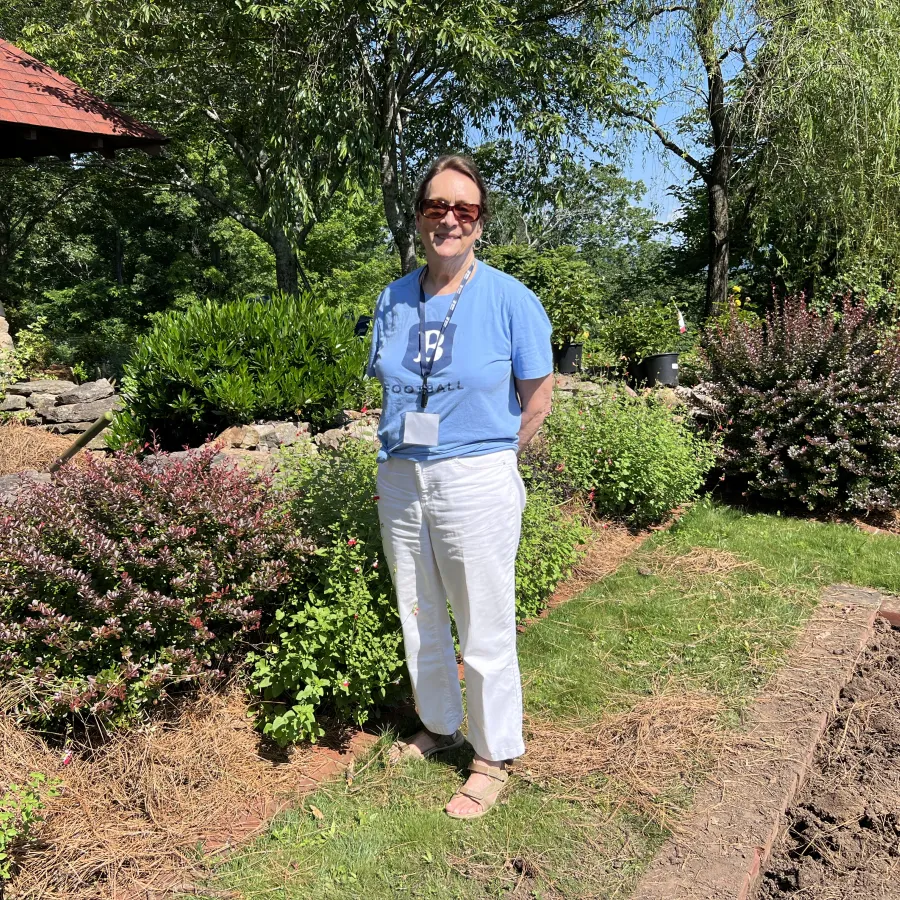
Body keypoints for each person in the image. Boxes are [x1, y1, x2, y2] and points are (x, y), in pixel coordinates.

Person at [367, 154, 554, 820]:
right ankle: (441, 723)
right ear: (419, 217)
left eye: (464, 209)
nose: (449, 219)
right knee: (419, 614)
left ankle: (492, 753)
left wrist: (495, 459)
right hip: (402, 475)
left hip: (474, 475)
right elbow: (387, 385)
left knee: (483, 622)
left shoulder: (509, 299)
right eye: (436, 207)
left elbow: (537, 399)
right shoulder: (394, 298)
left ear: (480, 222)